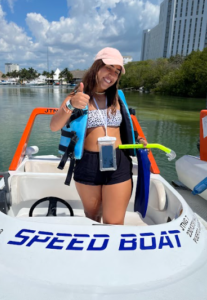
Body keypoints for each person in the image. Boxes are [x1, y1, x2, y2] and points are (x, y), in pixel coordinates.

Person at [50, 47, 147, 225]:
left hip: (119, 161)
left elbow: (126, 124)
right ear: (97, 66)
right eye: (108, 68)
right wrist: (71, 105)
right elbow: (54, 126)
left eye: (117, 71)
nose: (112, 74)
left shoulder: (118, 97)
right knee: (92, 218)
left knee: (114, 222)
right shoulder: (77, 95)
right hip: (88, 163)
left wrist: (139, 138)